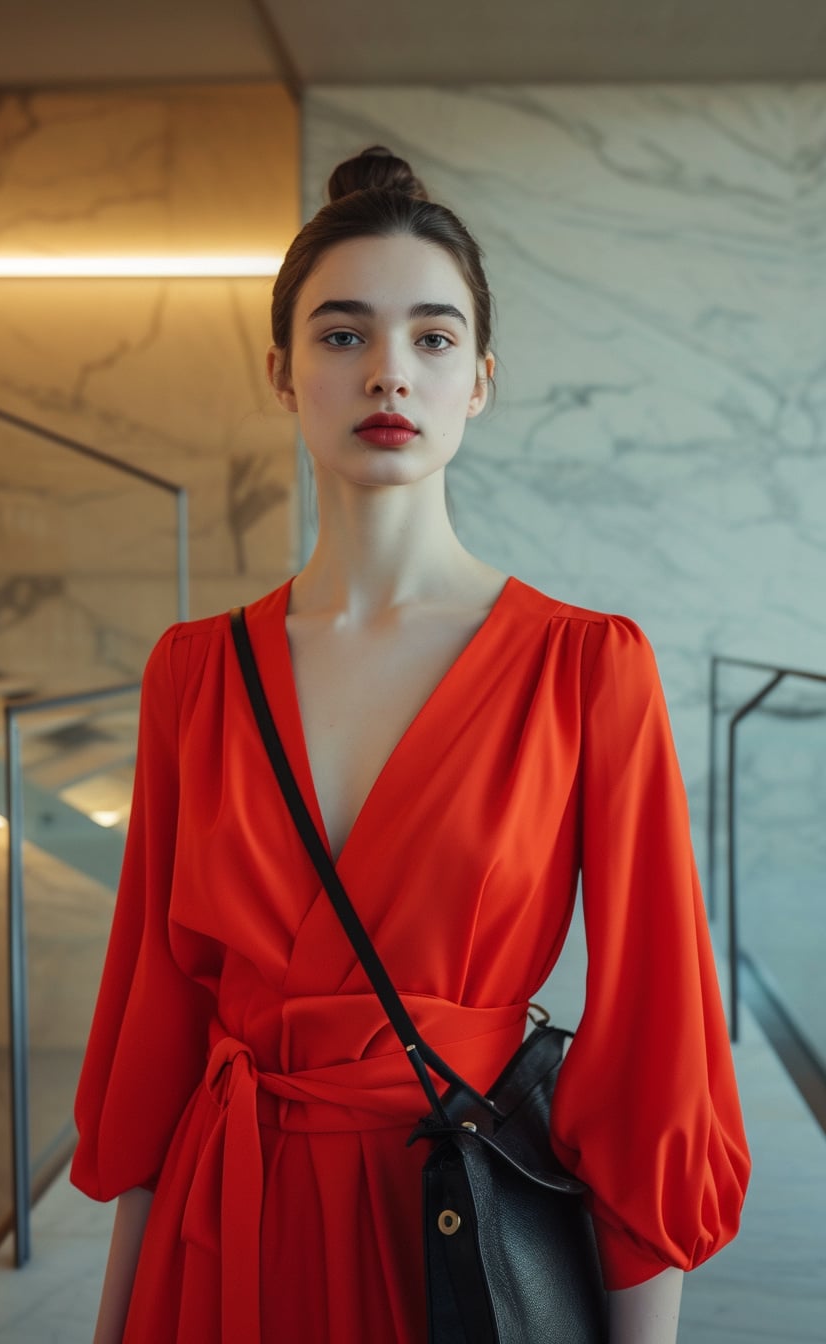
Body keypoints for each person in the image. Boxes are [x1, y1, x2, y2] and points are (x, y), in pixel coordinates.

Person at [71, 146, 750, 1344]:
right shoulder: (195, 672)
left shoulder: (585, 667)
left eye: (431, 339)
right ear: (281, 372)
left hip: (452, 1237)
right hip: (223, 1241)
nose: (388, 370)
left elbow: (657, 1049)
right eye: (342, 336)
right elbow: (152, 1039)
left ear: (478, 381)